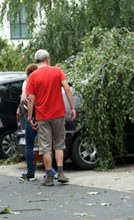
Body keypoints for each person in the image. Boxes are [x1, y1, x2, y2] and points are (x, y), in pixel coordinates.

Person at [26, 49, 76, 186]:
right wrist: (72, 108)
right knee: (59, 144)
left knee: (46, 147)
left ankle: (49, 177)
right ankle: (60, 173)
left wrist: (30, 117)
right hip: (58, 114)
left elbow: (31, 99)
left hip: (42, 116)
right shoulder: (57, 71)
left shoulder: (32, 77)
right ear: (47, 59)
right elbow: (67, 89)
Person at [19, 64, 57, 181]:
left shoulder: (27, 82)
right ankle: (51, 172)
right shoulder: (44, 81)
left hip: (33, 117)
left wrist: (26, 113)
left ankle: (30, 173)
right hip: (45, 116)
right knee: (46, 146)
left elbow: (23, 99)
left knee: (29, 145)